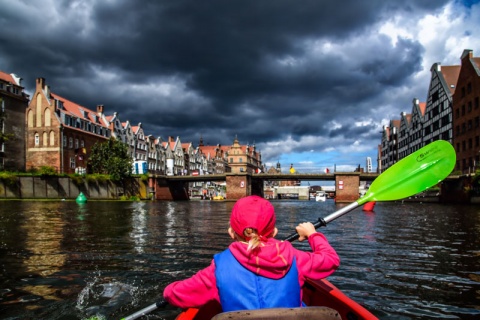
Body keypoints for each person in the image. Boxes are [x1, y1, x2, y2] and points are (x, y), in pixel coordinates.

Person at [163, 195, 340, 312]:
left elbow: (175, 295)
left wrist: (169, 289)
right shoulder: (295, 257)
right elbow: (331, 260)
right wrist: (312, 234)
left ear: (231, 233)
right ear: (274, 232)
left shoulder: (218, 269)